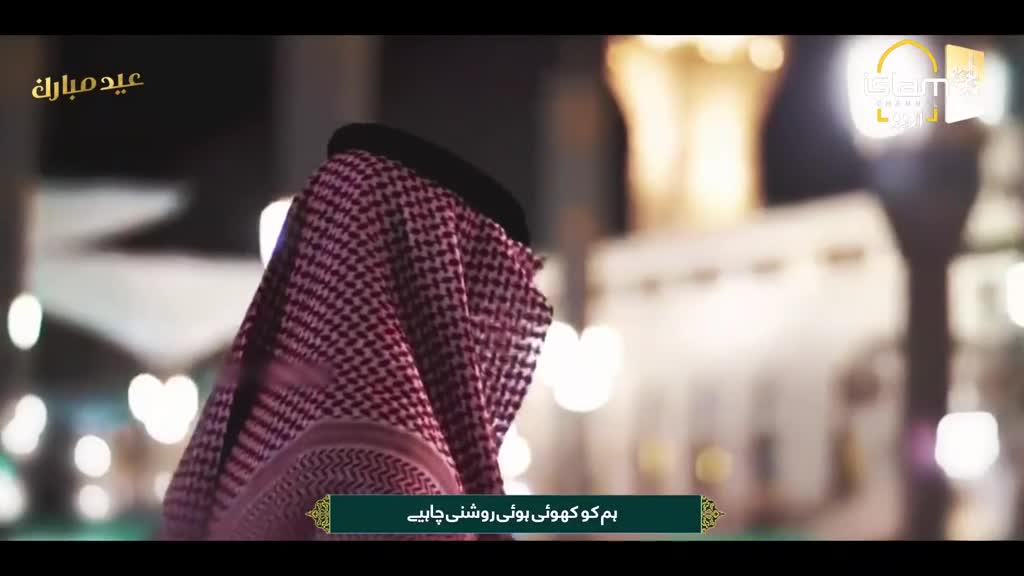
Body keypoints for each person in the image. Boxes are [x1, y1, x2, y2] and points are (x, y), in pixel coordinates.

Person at [161, 124, 553, 540]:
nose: (499, 329)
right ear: (437, 280)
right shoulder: (391, 478)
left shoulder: (263, 437)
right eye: (484, 278)